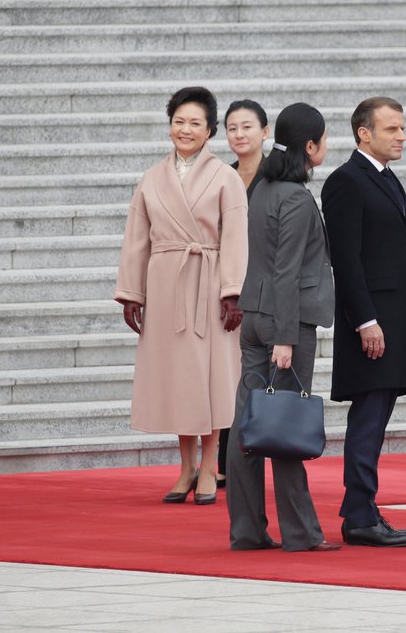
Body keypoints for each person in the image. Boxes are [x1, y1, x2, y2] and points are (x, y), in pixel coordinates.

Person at [115, 86, 248, 506]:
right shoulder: (151, 178)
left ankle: (210, 464)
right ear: (169, 125)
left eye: (195, 123)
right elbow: (137, 238)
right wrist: (132, 293)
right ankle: (186, 464)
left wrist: (233, 292)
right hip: (167, 284)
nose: (185, 129)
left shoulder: (225, 177)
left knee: (208, 377)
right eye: (179, 121)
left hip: (209, 284)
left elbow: (236, 239)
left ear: (210, 131)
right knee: (177, 377)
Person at [226, 102, 340, 552]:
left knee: (246, 425)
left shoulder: (262, 187)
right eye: (325, 139)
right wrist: (287, 338)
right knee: (284, 422)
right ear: (310, 146)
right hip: (282, 321)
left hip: (254, 316)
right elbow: (287, 271)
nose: (327, 146)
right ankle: (302, 533)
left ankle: (247, 531)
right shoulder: (293, 196)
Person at [321, 97, 406, 547]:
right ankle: (361, 516)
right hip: (370, 324)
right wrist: (365, 320)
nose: (401, 136)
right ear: (364, 133)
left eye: (402, 128)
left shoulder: (385, 178)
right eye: (392, 129)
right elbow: (345, 260)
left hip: (393, 320)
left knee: (376, 415)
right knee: (368, 418)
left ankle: (360, 510)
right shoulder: (347, 181)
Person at [216, 98, 270, 489]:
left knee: (258, 376)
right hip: (231, 289)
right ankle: (223, 461)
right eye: (232, 128)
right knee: (228, 375)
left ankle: (262, 453)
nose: (239, 134)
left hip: (267, 290)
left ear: (265, 132)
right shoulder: (222, 177)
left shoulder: (279, 177)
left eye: (247, 126)